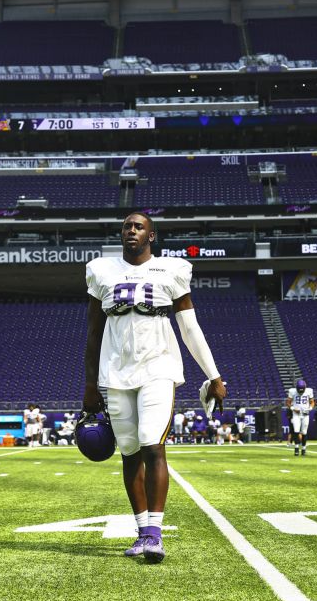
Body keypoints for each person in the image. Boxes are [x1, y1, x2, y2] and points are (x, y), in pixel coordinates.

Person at [83, 211, 226, 563]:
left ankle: (154, 534)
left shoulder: (171, 269)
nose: (131, 230)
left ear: (151, 235)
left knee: (152, 444)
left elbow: (190, 328)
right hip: (114, 371)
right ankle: (141, 529)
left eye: (139, 226)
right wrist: (89, 384)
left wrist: (214, 374)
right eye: (127, 226)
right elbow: (93, 332)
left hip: (158, 366)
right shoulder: (101, 270)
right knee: (129, 452)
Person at [285, 379, 315, 456]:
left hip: (305, 414)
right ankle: (296, 448)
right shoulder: (292, 391)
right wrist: (293, 409)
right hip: (296, 414)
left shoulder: (309, 391)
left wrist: (310, 409)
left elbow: (312, 402)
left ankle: (304, 449)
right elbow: (287, 402)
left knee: (304, 432)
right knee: (296, 430)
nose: (300, 391)